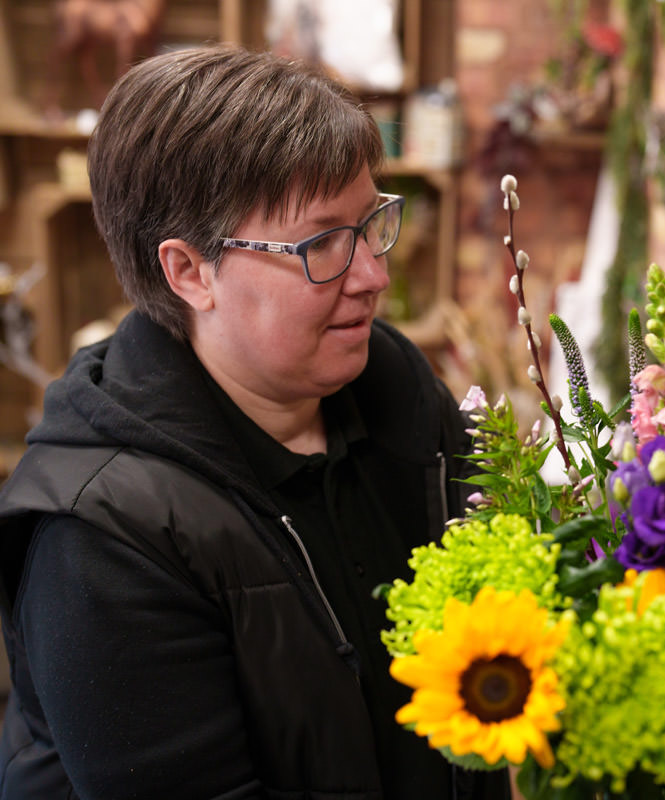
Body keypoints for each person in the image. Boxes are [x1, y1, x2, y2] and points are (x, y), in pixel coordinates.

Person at [0, 45, 509, 799]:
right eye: (322, 243)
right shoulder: (100, 540)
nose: (372, 273)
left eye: (371, 223)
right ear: (189, 272)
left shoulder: (392, 384)